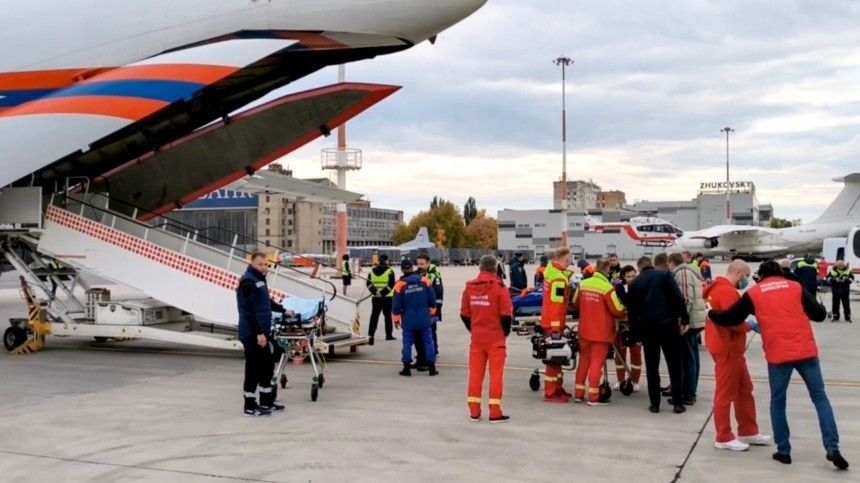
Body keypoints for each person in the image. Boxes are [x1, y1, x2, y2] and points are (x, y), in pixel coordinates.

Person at [708, 261, 848, 470]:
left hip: (778, 355)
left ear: (761, 276)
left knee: (778, 402)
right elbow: (819, 314)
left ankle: (784, 451)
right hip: (806, 352)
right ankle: (832, 447)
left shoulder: (755, 293)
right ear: (781, 273)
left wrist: (711, 313)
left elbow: (730, 318)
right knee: (820, 398)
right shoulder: (795, 287)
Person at [704, 259, 771, 452]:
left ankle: (748, 430)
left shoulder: (717, 288)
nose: (747, 280)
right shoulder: (726, 291)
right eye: (747, 276)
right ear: (740, 272)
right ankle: (723, 436)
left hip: (729, 347)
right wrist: (750, 326)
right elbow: (732, 320)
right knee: (725, 393)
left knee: (744, 389)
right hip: (728, 347)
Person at [626, 255, 690, 414]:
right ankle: (677, 403)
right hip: (668, 325)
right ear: (652, 265)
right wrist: (684, 320)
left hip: (648, 329)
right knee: (674, 365)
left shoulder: (635, 283)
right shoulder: (665, 275)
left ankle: (655, 404)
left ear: (639, 268)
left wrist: (636, 336)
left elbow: (632, 313)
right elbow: (678, 298)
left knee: (652, 367)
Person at [461, 255, 513, 423]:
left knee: (475, 375)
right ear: (496, 268)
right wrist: (504, 333)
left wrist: (474, 329)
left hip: (477, 338)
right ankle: (495, 412)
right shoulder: (499, 288)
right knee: (496, 375)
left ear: (480, 268)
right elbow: (506, 315)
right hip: (495, 339)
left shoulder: (470, 287)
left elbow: (464, 314)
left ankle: (474, 412)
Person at [237, 252, 288, 416]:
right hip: (252, 333)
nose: (264, 267)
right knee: (253, 368)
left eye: (266, 264)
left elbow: (267, 302)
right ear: (252, 264)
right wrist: (259, 333)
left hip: (262, 332)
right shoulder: (248, 281)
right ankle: (250, 406)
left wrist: (284, 311)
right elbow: (248, 311)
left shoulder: (259, 280)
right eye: (261, 264)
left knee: (267, 366)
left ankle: (266, 402)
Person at [573, 258, 627, 406]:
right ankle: (593, 396)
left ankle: (578, 394)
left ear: (596, 268)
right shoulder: (606, 288)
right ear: (608, 269)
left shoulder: (583, 284)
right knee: (597, 363)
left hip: (584, 330)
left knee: (584, 361)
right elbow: (617, 310)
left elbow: (575, 302)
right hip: (601, 332)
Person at [668, 252, 707, 406]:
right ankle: (690, 391)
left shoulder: (682, 273)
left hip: (688, 322)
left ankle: (687, 393)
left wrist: (683, 320)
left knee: (686, 359)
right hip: (695, 320)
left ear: (672, 263)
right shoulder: (693, 272)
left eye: (669, 265)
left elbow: (685, 297)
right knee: (692, 357)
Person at [540, 247, 575, 402]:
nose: (570, 263)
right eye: (569, 260)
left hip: (549, 320)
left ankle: (558, 388)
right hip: (554, 323)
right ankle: (551, 393)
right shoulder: (559, 280)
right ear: (565, 260)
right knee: (554, 358)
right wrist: (556, 328)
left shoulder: (550, 271)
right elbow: (557, 304)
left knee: (558, 359)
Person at [393, 258, 438, 377]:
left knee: (407, 343)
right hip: (424, 318)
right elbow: (432, 300)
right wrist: (432, 312)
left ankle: (406, 368)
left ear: (402, 269)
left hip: (408, 320)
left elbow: (396, 305)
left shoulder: (399, 285)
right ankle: (432, 368)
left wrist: (396, 320)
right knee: (428, 342)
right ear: (412, 268)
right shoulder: (425, 281)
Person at [613, 265, 642, 392]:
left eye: (633, 276)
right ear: (623, 277)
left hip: (635, 326)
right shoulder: (619, 288)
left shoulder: (640, 287)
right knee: (619, 355)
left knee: (636, 355)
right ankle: (620, 380)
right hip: (620, 326)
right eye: (629, 276)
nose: (631, 279)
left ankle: (635, 381)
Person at [414, 253, 444, 368]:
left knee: (431, 333)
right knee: (421, 335)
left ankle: (434, 354)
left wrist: (435, 311)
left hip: (431, 311)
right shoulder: (418, 274)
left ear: (428, 263)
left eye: (422, 264)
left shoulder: (434, 276)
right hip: (420, 311)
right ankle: (422, 356)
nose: (419, 266)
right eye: (418, 264)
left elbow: (439, 294)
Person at [366, 254, 396, 345]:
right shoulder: (390, 271)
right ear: (386, 261)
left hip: (376, 298)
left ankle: (371, 335)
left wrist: (376, 292)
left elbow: (369, 284)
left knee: (374, 316)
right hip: (387, 298)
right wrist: (382, 293)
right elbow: (391, 285)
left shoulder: (371, 271)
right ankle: (388, 335)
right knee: (387, 316)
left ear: (379, 260)